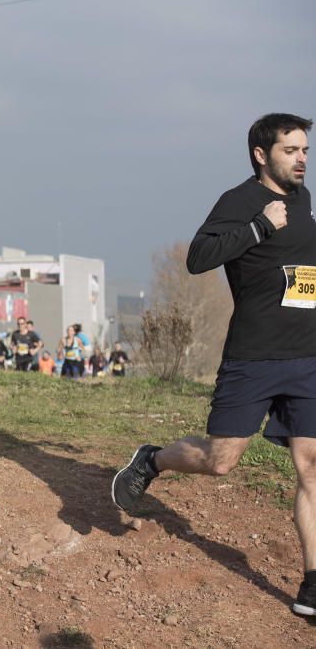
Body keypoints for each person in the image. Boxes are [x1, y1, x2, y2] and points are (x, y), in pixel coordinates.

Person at [111, 113, 316, 618]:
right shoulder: (239, 202)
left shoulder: (304, 201)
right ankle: (153, 461)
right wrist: (260, 226)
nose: (302, 160)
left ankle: (313, 583)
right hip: (254, 356)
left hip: (307, 356)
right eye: (291, 150)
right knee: (221, 460)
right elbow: (198, 257)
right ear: (261, 155)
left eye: (305, 151)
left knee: (311, 468)